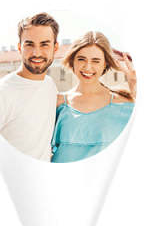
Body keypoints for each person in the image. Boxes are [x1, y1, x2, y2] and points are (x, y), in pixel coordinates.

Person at [51, 31, 136, 163]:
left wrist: (134, 84)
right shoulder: (57, 102)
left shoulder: (125, 104)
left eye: (96, 61)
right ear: (73, 61)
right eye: (81, 59)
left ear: (105, 64)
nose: (88, 67)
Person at [0, 13, 60, 162]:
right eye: (29, 44)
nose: (36, 53)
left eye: (44, 44)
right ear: (19, 47)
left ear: (55, 47)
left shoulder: (50, 85)